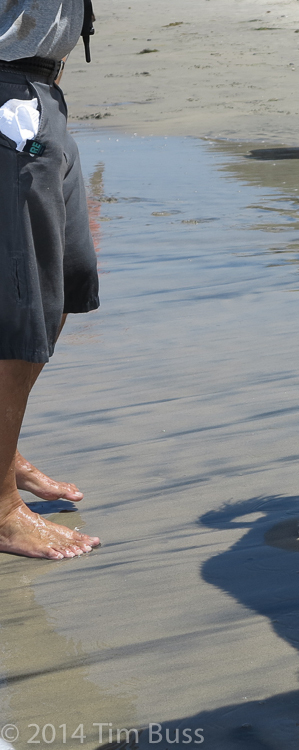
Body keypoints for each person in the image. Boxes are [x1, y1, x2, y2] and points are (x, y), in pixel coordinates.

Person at [1, 0, 101, 559]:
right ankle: (0, 510)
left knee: (65, 281)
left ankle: (2, 452)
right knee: (23, 306)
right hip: (8, 94)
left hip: (40, 90)